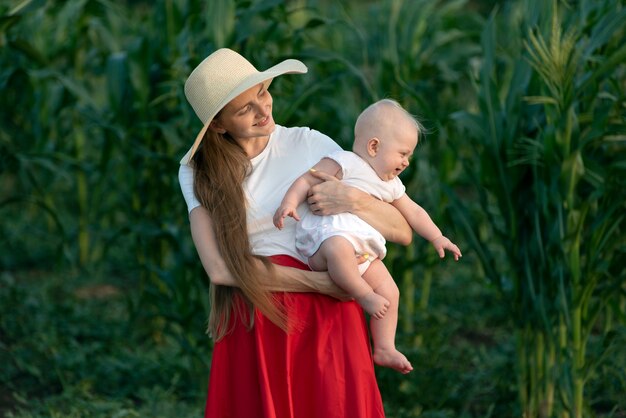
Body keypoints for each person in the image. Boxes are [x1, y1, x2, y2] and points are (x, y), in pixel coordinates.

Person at [178, 48, 414, 418]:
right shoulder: (197, 172)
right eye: (245, 109)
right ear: (220, 125)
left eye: (262, 93)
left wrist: (353, 199)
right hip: (263, 311)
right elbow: (221, 270)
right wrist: (319, 284)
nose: (263, 110)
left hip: (330, 313)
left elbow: (402, 231)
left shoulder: (309, 144)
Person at [273, 99, 462, 374]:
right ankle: (363, 295)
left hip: (363, 254)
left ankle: (385, 347)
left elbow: (414, 213)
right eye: (403, 153)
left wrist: (437, 237)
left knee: (391, 290)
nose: (406, 162)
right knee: (340, 249)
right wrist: (289, 204)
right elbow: (307, 181)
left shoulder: (392, 185)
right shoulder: (345, 162)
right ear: (374, 146)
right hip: (326, 242)